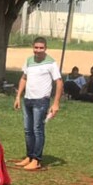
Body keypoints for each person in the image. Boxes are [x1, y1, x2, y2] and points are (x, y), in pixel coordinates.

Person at [12, 37, 61, 171]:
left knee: (37, 130)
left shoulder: (51, 63)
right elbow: (24, 78)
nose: (38, 50)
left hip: (41, 100)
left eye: (41, 48)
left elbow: (59, 82)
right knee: (28, 130)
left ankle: (36, 160)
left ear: (45, 48)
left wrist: (56, 103)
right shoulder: (29, 60)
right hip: (28, 99)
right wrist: (18, 96)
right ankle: (29, 156)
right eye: (36, 47)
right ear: (32, 47)